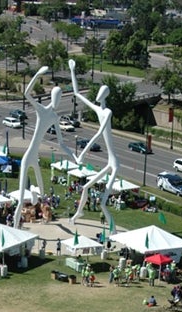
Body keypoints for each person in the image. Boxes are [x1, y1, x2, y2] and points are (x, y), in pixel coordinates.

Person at [14, 67, 77, 228]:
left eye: (60, 97)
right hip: (28, 156)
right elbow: (27, 93)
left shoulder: (55, 117)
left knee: (42, 195)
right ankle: (15, 225)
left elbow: (61, 143)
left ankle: (34, 194)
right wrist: (37, 74)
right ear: (51, 97)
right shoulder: (42, 110)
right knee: (21, 198)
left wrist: (74, 156)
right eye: (56, 96)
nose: (57, 100)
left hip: (35, 157)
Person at [69, 59, 119, 227]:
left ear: (105, 95)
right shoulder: (98, 110)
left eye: (101, 92)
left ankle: (113, 230)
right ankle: (78, 213)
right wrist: (72, 70)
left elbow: (99, 133)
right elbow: (77, 94)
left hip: (114, 164)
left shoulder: (108, 112)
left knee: (103, 203)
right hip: (109, 162)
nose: (98, 95)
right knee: (85, 188)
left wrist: (82, 153)